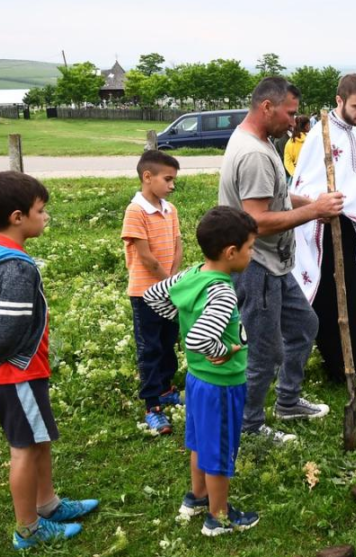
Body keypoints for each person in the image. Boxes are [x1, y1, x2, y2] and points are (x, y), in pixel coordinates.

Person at [0, 172, 99, 548]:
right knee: (24, 449)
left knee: (39, 440)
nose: (46, 216)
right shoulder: (18, 267)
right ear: (18, 217)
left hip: (17, 377)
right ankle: (28, 529)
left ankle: (47, 504)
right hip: (15, 376)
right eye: (41, 210)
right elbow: (6, 328)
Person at [218, 77, 344, 444]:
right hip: (256, 264)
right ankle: (251, 425)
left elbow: (276, 197)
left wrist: (311, 205)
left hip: (275, 264)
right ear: (267, 107)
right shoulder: (255, 153)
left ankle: (287, 401)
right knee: (263, 351)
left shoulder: (256, 141)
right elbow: (255, 221)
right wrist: (314, 211)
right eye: (289, 113)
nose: (294, 121)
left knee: (304, 325)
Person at [144, 206, 260, 537]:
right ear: (231, 252)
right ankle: (218, 517)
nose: (252, 254)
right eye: (251, 247)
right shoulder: (222, 292)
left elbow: (154, 295)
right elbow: (198, 338)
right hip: (221, 386)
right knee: (220, 450)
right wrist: (221, 352)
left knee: (199, 442)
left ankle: (196, 498)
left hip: (196, 381)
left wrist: (181, 314)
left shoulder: (194, 273)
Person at [291, 74, 356, 382]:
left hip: (355, 228)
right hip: (329, 229)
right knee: (336, 299)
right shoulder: (321, 135)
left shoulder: (353, 133)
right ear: (340, 101)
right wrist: (321, 205)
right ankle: (340, 366)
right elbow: (305, 184)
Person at [121, 150, 183, 435]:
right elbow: (146, 258)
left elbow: (177, 245)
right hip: (146, 294)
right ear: (147, 177)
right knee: (150, 348)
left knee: (168, 341)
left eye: (173, 180)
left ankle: (166, 389)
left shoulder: (170, 210)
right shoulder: (135, 211)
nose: (171, 185)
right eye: (167, 179)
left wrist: (172, 282)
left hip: (168, 291)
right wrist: (168, 283)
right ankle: (151, 405)